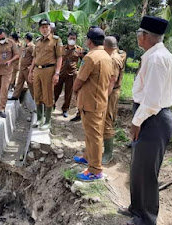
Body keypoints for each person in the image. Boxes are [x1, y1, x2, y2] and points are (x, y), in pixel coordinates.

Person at [119, 16, 172, 225]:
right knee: (138, 167)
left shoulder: (157, 58)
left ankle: (146, 219)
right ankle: (136, 209)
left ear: (144, 36)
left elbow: (152, 99)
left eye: (138, 34)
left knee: (147, 172)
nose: (137, 38)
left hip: (154, 118)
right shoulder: (154, 55)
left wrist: (137, 121)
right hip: (149, 115)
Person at [72, 27, 113, 181]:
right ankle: (88, 156)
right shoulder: (106, 56)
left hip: (90, 103)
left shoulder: (91, 57)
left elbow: (80, 80)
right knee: (91, 133)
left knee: (94, 136)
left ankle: (95, 170)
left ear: (89, 41)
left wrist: (75, 91)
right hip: (100, 100)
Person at [28, 19, 63, 130]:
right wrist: (30, 71)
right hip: (37, 70)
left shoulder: (56, 40)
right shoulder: (38, 41)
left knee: (48, 95)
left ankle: (47, 121)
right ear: (39, 29)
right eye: (42, 27)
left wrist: (57, 73)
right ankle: (39, 119)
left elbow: (59, 57)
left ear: (50, 28)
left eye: (46, 27)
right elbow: (34, 57)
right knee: (37, 94)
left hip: (49, 70)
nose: (44, 29)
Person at [102, 36, 124, 165]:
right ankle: (103, 149)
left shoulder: (114, 59)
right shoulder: (114, 56)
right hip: (110, 92)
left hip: (111, 93)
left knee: (107, 121)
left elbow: (112, 81)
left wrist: (104, 97)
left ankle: (108, 153)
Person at [0, 29, 20, 118]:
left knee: (4, 88)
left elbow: (17, 55)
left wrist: (10, 61)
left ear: (5, 35)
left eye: (2, 38)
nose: (1, 40)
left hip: (7, 70)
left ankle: (2, 108)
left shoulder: (11, 43)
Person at [54, 31, 83, 118]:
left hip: (71, 74)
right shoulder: (61, 48)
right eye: (71, 38)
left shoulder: (79, 50)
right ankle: (52, 105)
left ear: (76, 39)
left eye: (74, 39)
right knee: (55, 90)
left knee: (68, 93)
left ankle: (65, 109)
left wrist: (79, 71)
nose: (72, 40)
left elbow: (84, 61)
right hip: (60, 73)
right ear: (67, 38)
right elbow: (56, 59)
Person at [8, 33, 35, 100]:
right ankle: (15, 96)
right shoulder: (25, 46)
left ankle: (36, 99)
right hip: (22, 68)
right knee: (19, 83)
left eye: (25, 38)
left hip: (27, 68)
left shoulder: (32, 46)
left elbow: (35, 57)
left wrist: (31, 66)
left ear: (27, 38)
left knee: (31, 85)